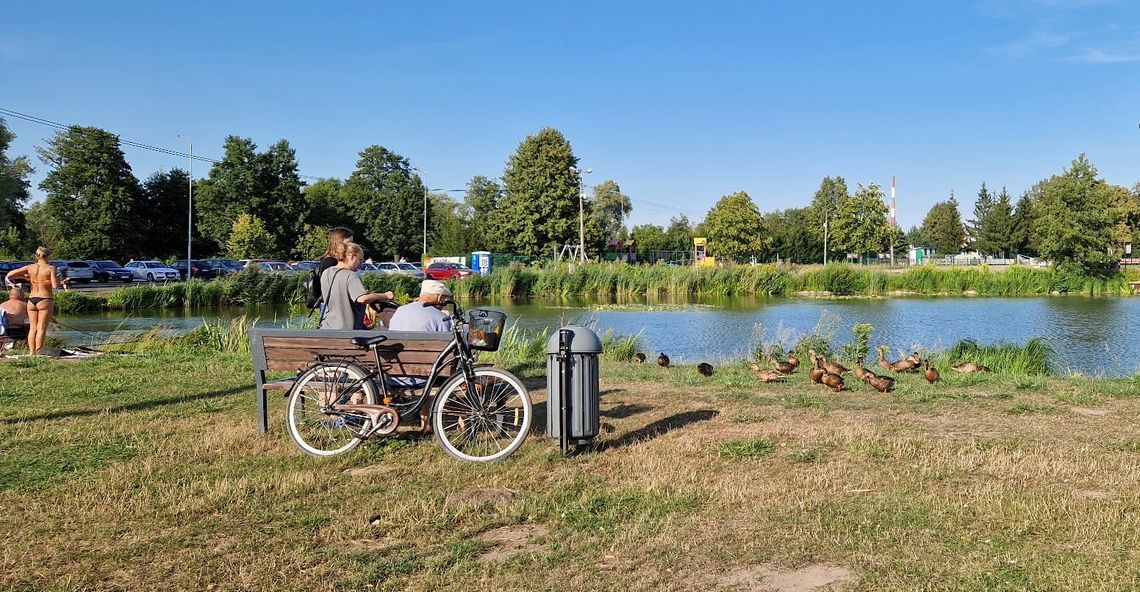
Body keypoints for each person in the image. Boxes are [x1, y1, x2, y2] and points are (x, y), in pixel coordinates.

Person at [319, 240, 394, 330]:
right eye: (361, 259)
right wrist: (384, 295)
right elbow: (362, 299)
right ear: (351, 256)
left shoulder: (327, 272)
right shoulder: (350, 276)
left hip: (327, 327)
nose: (361, 263)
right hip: (347, 331)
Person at [5, 246, 67, 355]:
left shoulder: (30, 267)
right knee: (41, 328)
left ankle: (31, 353)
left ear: (36, 256)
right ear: (48, 256)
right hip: (45, 298)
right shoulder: (51, 268)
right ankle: (39, 352)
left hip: (32, 299)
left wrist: (25, 277)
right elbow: (55, 285)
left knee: (33, 328)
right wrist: (59, 278)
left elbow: (10, 274)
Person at [387, 279, 453, 333]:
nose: (445, 304)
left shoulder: (400, 310)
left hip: (397, 349)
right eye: (445, 299)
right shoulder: (441, 318)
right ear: (439, 298)